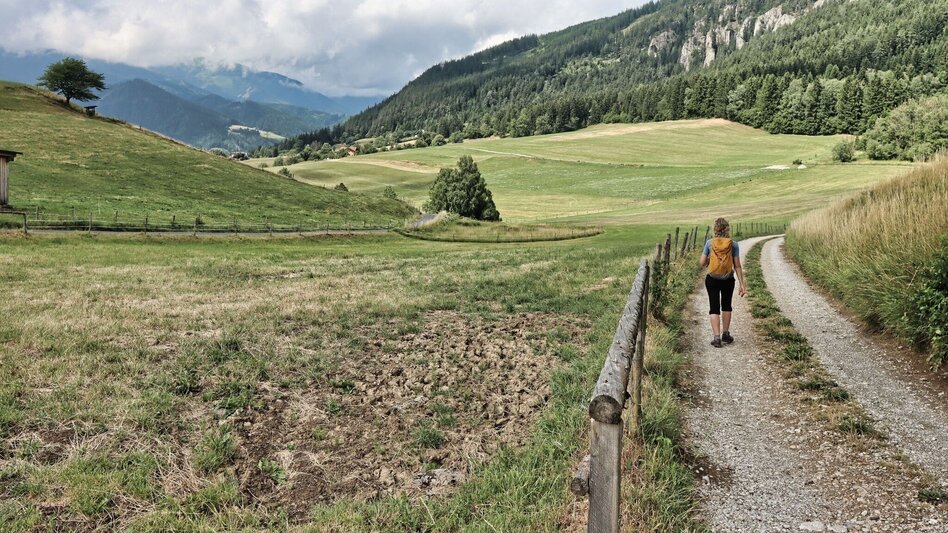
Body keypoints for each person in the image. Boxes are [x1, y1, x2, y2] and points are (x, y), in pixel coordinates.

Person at [699, 218, 746, 348]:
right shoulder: (733, 244)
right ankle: (726, 334)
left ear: (715, 229)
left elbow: (702, 262)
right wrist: (742, 284)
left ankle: (717, 338)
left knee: (713, 307)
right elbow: (737, 265)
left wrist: (710, 261)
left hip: (712, 279)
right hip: (728, 279)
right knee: (726, 305)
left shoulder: (709, 243)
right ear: (727, 229)